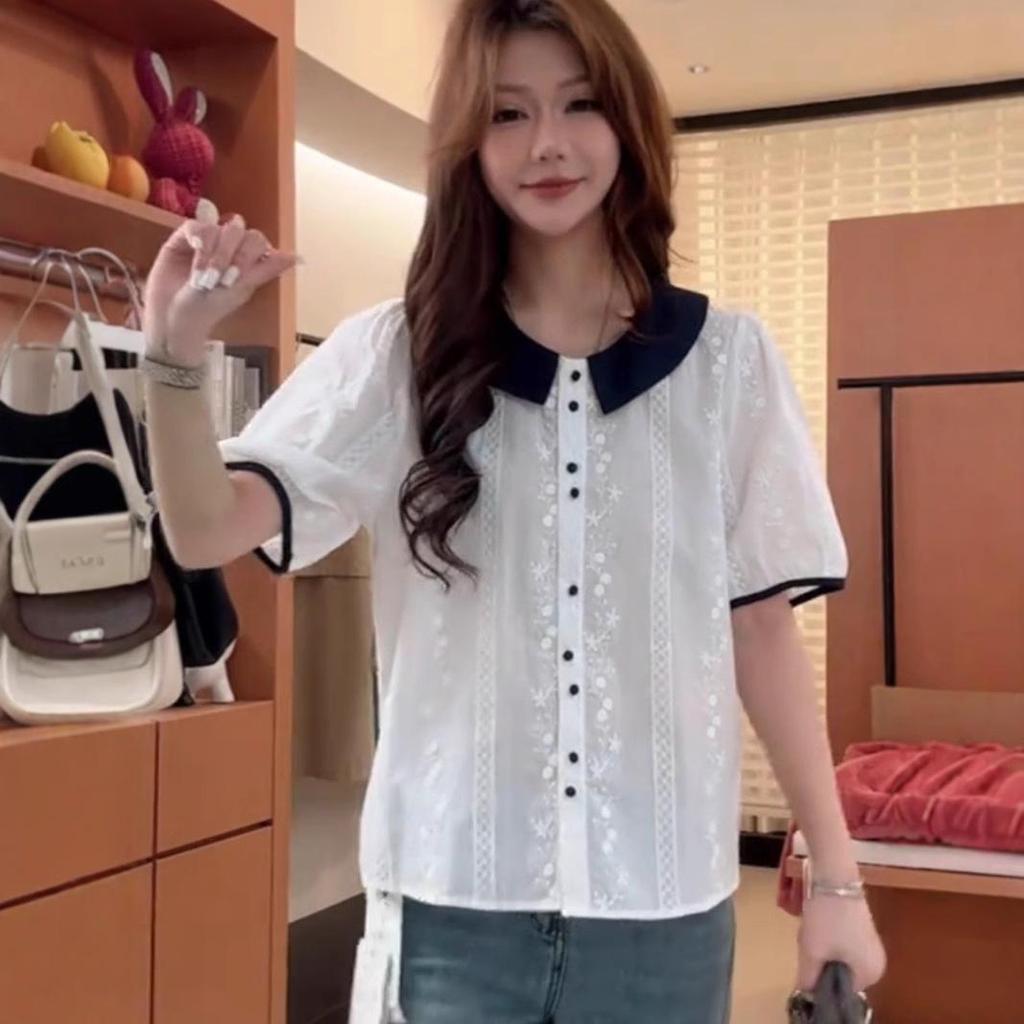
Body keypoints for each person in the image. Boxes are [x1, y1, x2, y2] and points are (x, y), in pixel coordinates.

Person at [140, 1, 886, 1021]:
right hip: (453, 913)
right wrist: (173, 355)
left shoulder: (727, 366)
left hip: (662, 913)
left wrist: (836, 882)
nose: (546, 144)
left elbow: (761, 631)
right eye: (506, 113)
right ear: (469, 144)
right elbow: (201, 531)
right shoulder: (395, 357)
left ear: (627, 122)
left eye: (578, 104)